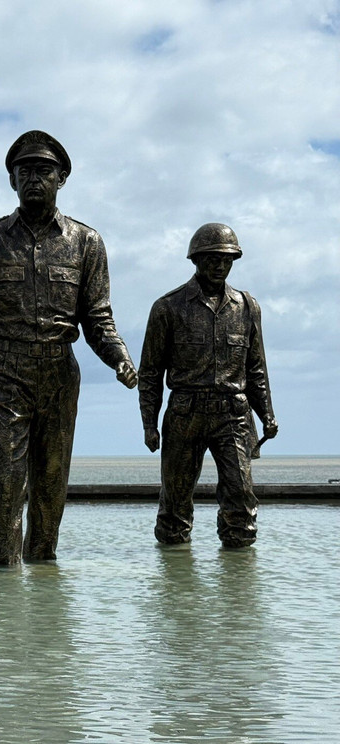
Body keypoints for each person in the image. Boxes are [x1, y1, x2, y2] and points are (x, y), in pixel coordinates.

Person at [0, 131, 138, 565]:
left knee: (51, 483)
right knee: (8, 479)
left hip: (60, 372)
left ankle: (44, 591)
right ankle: (1, 583)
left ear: (62, 178)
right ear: (11, 181)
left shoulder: (86, 243)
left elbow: (97, 318)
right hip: (6, 370)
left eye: (44, 171)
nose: (34, 180)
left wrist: (119, 357)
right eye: (24, 172)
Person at [139, 223, 278, 548]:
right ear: (196, 259)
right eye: (212, 258)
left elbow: (256, 368)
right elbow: (150, 373)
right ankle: (174, 585)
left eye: (226, 259)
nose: (219, 265)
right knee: (174, 504)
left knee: (241, 498)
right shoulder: (168, 307)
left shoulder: (246, 307)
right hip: (185, 414)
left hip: (233, 415)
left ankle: (239, 586)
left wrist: (267, 414)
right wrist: (149, 424)